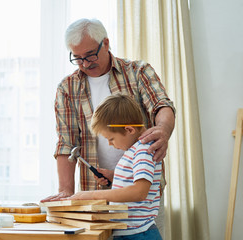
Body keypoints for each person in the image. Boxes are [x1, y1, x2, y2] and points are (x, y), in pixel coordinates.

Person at [41, 18, 175, 237]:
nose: (84, 63)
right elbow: (66, 142)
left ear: (106, 43)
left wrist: (163, 129)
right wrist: (66, 190)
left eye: (90, 55)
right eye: (78, 58)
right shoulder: (67, 88)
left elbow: (162, 105)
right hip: (99, 195)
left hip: (139, 207)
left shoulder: (137, 71)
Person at [63, 93, 162, 240]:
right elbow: (135, 179)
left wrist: (93, 195)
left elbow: (139, 192)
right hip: (128, 232)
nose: (110, 144)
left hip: (139, 234)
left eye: (111, 139)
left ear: (129, 130)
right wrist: (113, 176)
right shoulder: (133, 151)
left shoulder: (143, 151)